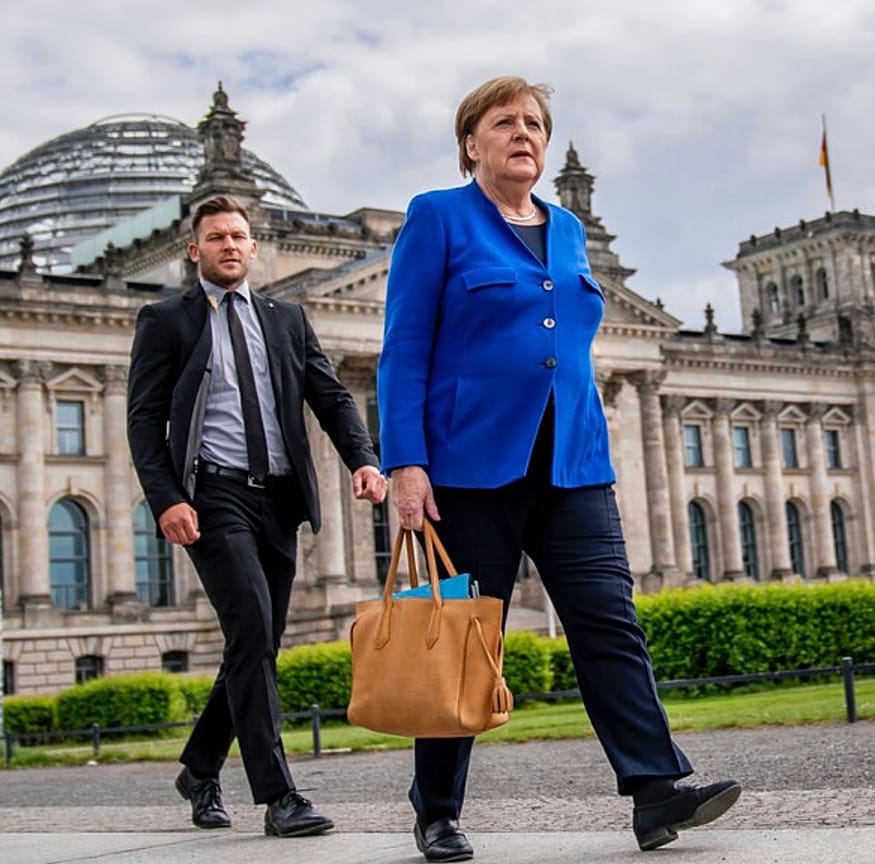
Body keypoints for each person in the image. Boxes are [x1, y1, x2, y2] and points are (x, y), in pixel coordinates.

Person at [377, 76, 743, 861]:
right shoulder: (437, 217)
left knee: (610, 623)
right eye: (504, 122)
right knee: (465, 639)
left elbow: (562, 340)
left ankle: (654, 791)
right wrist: (406, 462)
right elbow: (405, 346)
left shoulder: (569, 228)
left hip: (573, 462)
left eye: (536, 123)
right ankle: (437, 810)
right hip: (471, 468)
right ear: (470, 141)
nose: (524, 134)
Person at [127, 195, 387, 838]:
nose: (230, 246)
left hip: (278, 498)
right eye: (216, 237)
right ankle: (278, 796)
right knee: (249, 627)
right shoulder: (166, 320)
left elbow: (329, 395)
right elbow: (143, 420)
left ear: (254, 246)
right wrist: (168, 498)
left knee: (258, 642)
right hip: (214, 495)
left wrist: (362, 457)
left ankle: (200, 766)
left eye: (239, 236)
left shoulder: (287, 318)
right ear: (195, 250)